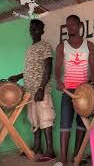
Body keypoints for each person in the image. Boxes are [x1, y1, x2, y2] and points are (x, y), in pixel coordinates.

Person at [8, 19, 55, 161]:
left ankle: (50, 151)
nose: (32, 31)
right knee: (34, 119)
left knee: (46, 119)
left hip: (41, 90)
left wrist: (41, 88)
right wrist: (18, 76)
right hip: (29, 91)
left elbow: (48, 68)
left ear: (42, 31)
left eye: (35, 29)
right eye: (31, 28)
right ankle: (37, 148)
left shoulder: (45, 46)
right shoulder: (29, 49)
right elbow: (30, 70)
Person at [55, 14, 94, 164]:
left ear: (79, 26)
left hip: (84, 92)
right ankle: (63, 160)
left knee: (81, 125)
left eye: (73, 24)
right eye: (67, 25)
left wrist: (91, 81)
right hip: (68, 91)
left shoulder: (89, 45)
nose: (70, 27)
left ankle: (76, 157)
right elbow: (58, 66)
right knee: (65, 125)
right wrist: (58, 80)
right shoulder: (62, 46)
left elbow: (92, 66)